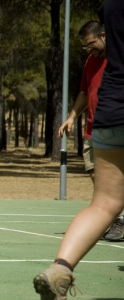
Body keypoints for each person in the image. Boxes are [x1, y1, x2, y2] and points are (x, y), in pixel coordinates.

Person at [34, 0, 124, 300]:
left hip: (111, 112)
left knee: (104, 203)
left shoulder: (110, 7)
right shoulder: (90, 59)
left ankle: (61, 269)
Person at [58, 20, 124, 241]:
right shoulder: (90, 62)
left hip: (117, 127)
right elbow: (85, 92)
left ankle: (117, 220)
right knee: (96, 176)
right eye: (85, 47)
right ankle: (116, 221)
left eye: (91, 44)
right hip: (92, 129)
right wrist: (71, 117)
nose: (89, 50)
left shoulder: (118, 59)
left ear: (104, 35)